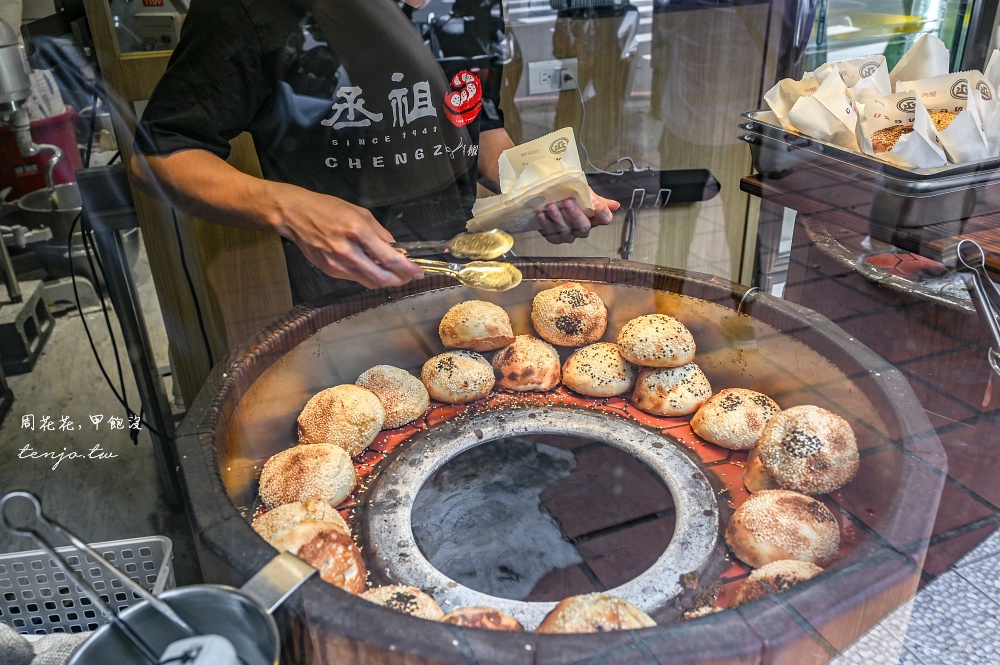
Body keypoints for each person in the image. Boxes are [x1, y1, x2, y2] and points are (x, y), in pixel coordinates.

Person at [130, 0, 618, 304]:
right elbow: (160, 153)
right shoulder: (251, 8)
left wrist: (539, 187)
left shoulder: (470, 5)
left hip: (458, 246)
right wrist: (287, 209)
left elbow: (476, 121)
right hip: (342, 266)